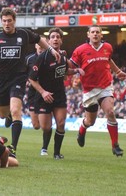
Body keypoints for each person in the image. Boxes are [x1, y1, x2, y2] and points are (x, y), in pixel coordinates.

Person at [0, 7, 61, 156]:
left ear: (14, 21)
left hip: (18, 77)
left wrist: (51, 50)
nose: (7, 23)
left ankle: (13, 148)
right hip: (1, 80)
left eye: (9, 21)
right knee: (3, 114)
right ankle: (8, 116)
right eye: (4, 21)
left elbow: (39, 40)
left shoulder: (23, 34)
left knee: (16, 110)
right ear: (1, 22)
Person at [70, 25, 126, 157]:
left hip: (105, 87)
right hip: (89, 90)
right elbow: (71, 66)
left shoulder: (108, 47)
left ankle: (115, 145)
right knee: (90, 121)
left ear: (101, 35)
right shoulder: (80, 50)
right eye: (93, 32)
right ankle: (82, 129)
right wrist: (74, 76)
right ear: (88, 34)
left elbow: (109, 60)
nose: (95, 34)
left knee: (110, 112)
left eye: (98, 32)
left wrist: (118, 71)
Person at [29, 28, 84, 159]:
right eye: (52, 37)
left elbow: (65, 71)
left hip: (59, 95)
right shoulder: (42, 57)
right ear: (48, 41)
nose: (55, 39)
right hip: (44, 96)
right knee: (46, 127)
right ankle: (44, 147)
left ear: (61, 40)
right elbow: (32, 79)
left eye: (58, 37)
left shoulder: (64, 56)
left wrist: (76, 70)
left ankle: (57, 153)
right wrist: (43, 92)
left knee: (61, 123)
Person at [25, 44, 45, 131]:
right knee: (36, 126)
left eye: (43, 43)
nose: (41, 46)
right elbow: (23, 72)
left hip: (46, 91)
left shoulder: (50, 57)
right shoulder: (29, 59)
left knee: (45, 125)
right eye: (39, 44)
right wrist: (26, 80)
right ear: (36, 46)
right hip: (33, 92)